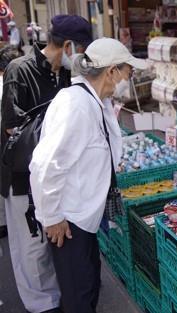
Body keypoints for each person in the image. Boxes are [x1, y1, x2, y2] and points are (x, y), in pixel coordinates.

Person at [29, 37, 147, 313]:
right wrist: (52, 218)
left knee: (88, 282)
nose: (129, 78)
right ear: (111, 72)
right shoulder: (76, 106)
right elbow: (45, 165)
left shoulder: (95, 100)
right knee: (78, 295)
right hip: (69, 222)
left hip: (83, 216)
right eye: (128, 71)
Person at [1, 15, 92, 313]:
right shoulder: (19, 70)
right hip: (21, 174)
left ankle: (58, 297)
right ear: (68, 46)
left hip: (57, 173)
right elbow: (12, 127)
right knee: (31, 246)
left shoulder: (67, 74)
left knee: (54, 236)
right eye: (81, 48)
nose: (82, 55)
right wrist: (57, 133)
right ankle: (41, 306)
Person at [0, 46, 23, 239]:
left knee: (17, 234)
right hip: (14, 166)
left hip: (7, 167)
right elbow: (11, 128)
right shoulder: (10, 86)